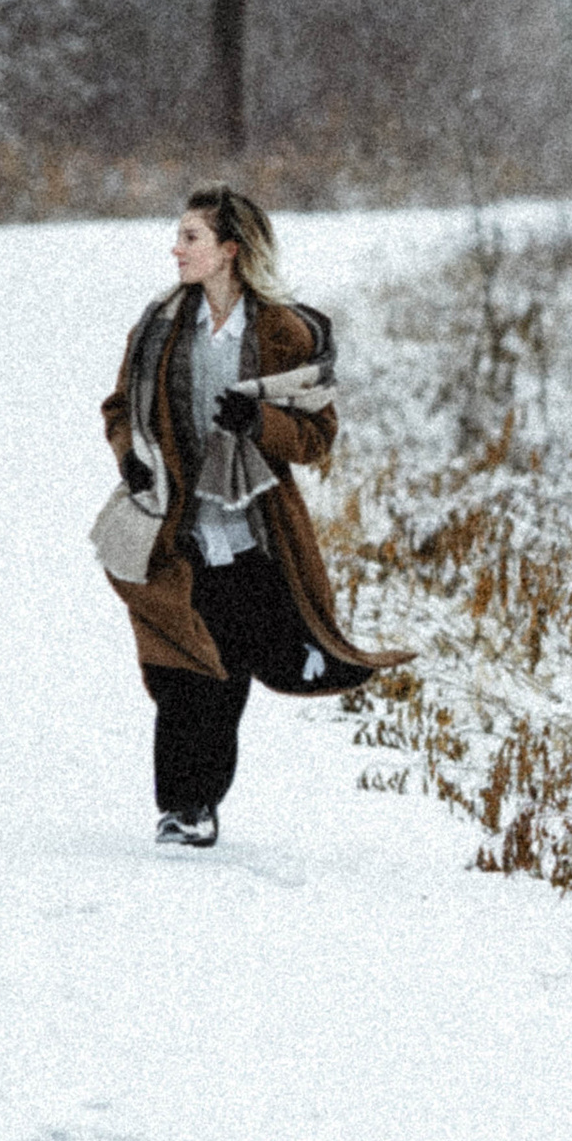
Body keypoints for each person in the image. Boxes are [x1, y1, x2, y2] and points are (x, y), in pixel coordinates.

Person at [100, 186, 404, 848]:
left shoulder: (282, 332)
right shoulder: (157, 326)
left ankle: (199, 800)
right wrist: (130, 458)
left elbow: (318, 437)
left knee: (226, 669)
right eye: (178, 237)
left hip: (250, 532)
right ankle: (182, 807)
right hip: (171, 530)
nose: (176, 249)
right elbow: (120, 407)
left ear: (229, 250)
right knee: (184, 667)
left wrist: (261, 422)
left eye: (191, 238)